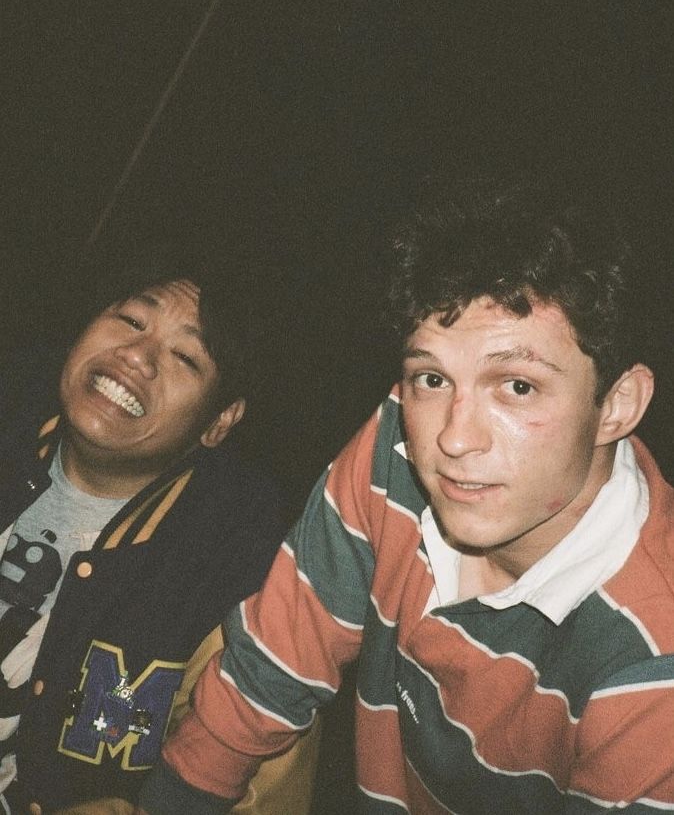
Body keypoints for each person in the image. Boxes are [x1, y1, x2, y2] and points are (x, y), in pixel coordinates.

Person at [138, 176, 674, 815]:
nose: (454, 436)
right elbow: (275, 665)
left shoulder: (655, 655)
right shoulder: (398, 440)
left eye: (518, 387)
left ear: (617, 405)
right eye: (432, 377)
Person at [0, 254, 319, 814]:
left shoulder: (241, 572)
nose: (137, 357)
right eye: (130, 320)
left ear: (220, 422)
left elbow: (260, 789)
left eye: (185, 357)